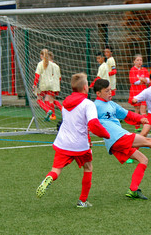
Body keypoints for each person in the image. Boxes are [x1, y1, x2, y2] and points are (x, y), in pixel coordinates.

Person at [36, 73, 110, 207]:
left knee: (56, 169)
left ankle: (49, 177)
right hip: (80, 144)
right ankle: (82, 201)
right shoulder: (88, 104)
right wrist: (106, 134)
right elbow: (93, 124)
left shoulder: (65, 103)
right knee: (88, 167)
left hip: (62, 142)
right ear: (85, 88)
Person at [33, 49, 61, 121]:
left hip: (44, 85)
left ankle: (49, 112)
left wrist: (35, 84)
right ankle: (51, 115)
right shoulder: (54, 65)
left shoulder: (40, 64)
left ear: (42, 56)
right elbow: (58, 76)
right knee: (49, 100)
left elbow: (37, 75)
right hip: (53, 85)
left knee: (39, 99)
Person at [128, 54, 150, 132]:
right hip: (135, 92)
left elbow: (148, 81)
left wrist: (142, 79)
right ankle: (137, 126)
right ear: (134, 61)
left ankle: (146, 126)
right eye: (137, 60)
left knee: (143, 109)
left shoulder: (144, 70)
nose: (139, 61)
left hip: (144, 92)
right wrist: (142, 80)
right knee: (137, 110)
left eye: (140, 60)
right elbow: (134, 82)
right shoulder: (132, 70)